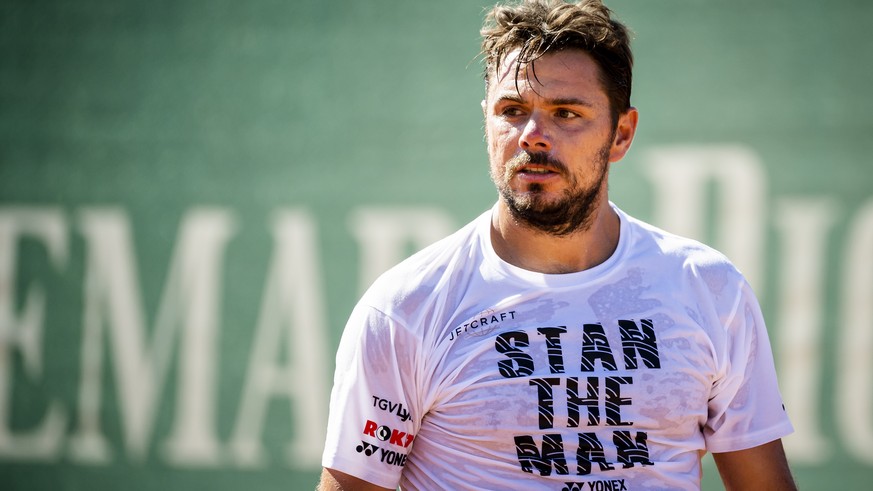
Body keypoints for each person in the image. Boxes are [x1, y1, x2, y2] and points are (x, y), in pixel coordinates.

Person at [318, 0, 796, 489]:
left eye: (566, 113)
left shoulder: (708, 289)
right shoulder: (406, 309)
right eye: (512, 111)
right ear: (486, 122)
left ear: (621, 134)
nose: (533, 136)